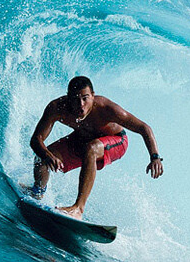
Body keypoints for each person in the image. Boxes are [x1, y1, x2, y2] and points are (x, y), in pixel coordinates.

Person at [27, 76, 164, 218]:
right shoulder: (57, 108)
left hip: (117, 140)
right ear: (68, 98)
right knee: (42, 158)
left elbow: (144, 128)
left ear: (93, 96)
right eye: (75, 99)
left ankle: (78, 208)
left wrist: (155, 157)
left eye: (85, 98)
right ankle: (37, 192)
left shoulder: (107, 109)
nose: (81, 104)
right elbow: (36, 140)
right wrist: (47, 155)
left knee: (91, 149)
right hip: (82, 139)